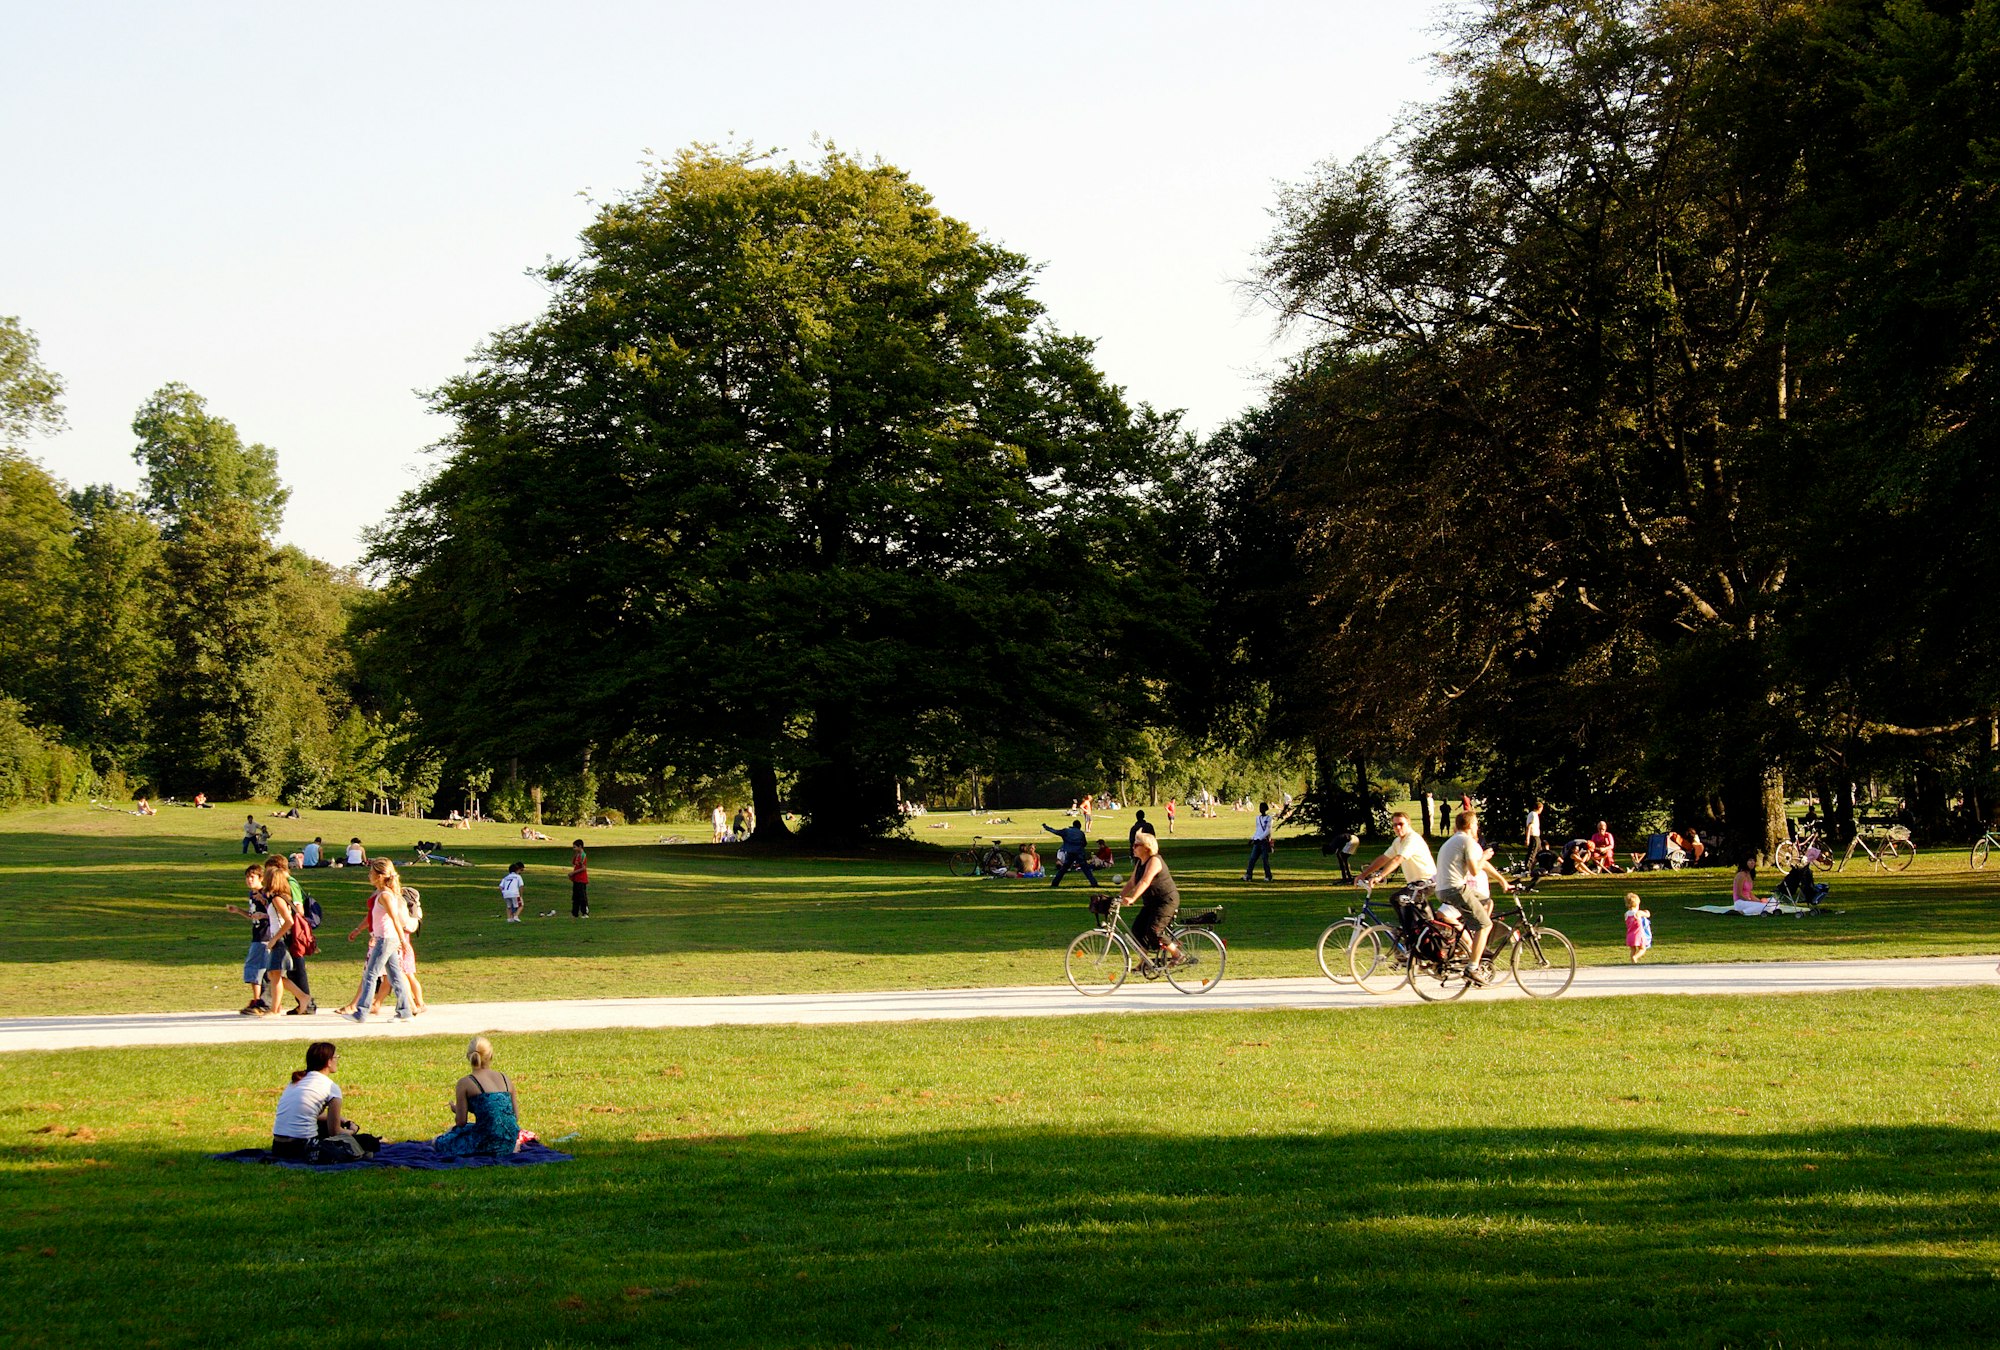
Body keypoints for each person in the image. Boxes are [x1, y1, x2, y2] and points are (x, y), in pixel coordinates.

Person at [1435, 809, 1510, 983]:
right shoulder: (1468, 841)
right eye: (1476, 824)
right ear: (1470, 825)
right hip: (1456, 888)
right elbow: (1475, 870)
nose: (1478, 827)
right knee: (1485, 924)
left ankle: (1472, 940)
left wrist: (1502, 881)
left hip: (1444, 889)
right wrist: (1484, 856)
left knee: (1486, 901)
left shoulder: (1452, 841)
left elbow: (1480, 865)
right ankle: (1472, 967)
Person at [343, 859, 415, 1021]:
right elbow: (372, 918)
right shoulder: (381, 895)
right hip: (385, 938)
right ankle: (405, 1012)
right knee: (395, 976)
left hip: (387, 940)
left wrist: (403, 942)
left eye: (371, 873)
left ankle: (361, 1012)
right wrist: (358, 930)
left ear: (380, 876)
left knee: (370, 974)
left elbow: (395, 919)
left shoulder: (385, 896)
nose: (369, 876)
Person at [434, 1036, 522, 1158]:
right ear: (491, 1055)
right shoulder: (505, 1078)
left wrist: (457, 1109)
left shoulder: (465, 1083)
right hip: (508, 1141)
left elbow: (461, 1122)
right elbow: (514, 1116)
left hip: (486, 1142)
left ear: (468, 1057)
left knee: (440, 1140)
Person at [271, 1042, 355, 1161]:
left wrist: (343, 1119)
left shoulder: (297, 1081)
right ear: (328, 1062)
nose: (337, 1061)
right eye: (336, 1057)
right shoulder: (331, 1087)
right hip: (302, 1147)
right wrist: (352, 1131)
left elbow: (306, 1113)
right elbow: (335, 1132)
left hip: (279, 1146)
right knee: (352, 1147)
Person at [259, 856, 315, 1016]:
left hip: (281, 939)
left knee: (274, 974)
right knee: (273, 974)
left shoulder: (277, 899)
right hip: (280, 938)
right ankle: (302, 997)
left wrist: (274, 939)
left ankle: (277, 1008)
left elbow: (289, 921)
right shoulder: (279, 898)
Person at [1120, 830, 1183, 970]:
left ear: (1146, 847)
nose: (1133, 847)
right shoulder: (1140, 862)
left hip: (1165, 901)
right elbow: (1132, 882)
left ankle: (1177, 954)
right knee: (1137, 929)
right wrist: (1118, 898)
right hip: (1151, 902)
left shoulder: (1155, 860)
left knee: (1154, 930)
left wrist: (1132, 898)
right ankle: (1145, 961)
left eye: (1136, 845)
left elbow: (1145, 881)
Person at [225, 864, 275, 1015]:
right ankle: (261, 1000)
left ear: (261, 878)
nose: (248, 880)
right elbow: (253, 915)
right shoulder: (252, 895)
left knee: (254, 967)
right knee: (261, 969)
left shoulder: (265, 894)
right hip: (257, 933)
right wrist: (239, 911)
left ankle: (258, 1001)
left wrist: (264, 906)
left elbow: (275, 914)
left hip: (265, 935)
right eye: (247, 877)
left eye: (252, 877)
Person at [1354, 812, 1437, 893]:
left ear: (1408, 824)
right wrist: (1363, 874)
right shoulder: (1398, 841)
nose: (1398, 827)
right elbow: (1383, 858)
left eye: (1401, 824)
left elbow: (1398, 860)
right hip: (1415, 883)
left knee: (1398, 900)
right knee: (1402, 901)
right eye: (1395, 825)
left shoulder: (1412, 839)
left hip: (1427, 881)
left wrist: (1380, 876)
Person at [1042, 819, 1097, 887]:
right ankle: (1093, 883)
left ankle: (1055, 883)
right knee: (1086, 869)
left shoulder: (1066, 831)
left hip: (1070, 852)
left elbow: (1055, 831)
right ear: (1079, 826)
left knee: (1063, 869)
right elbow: (1084, 843)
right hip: (1079, 853)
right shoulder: (1081, 833)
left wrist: (1046, 827)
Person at [1242, 801, 1276, 881]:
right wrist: (1253, 838)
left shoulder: (1269, 818)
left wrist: (1259, 838)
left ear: (1266, 809)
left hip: (1264, 842)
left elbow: (1268, 831)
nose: (1261, 809)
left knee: (1264, 859)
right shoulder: (1258, 818)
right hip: (1257, 841)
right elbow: (1258, 830)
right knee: (1252, 859)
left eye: (1262, 807)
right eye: (1260, 807)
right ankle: (1248, 875)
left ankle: (1268, 876)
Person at [1625, 893, 1654, 961]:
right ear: (1637, 904)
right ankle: (1635, 957)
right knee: (1642, 948)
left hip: (1629, 935)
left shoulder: (1626, 914)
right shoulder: (1638, 913)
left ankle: (1633, 961)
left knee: (1633, 949)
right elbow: (1647, 915)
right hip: (1638, 934)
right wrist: (1646, 911)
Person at [569, 840, 589, 917]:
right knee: (575, 897)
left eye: (575, 847)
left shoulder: (583, 856)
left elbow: (583, 868)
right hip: (576, 879)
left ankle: (584, 912)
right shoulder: (578, 855)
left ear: (580, 847)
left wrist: (573, 873)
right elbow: (574, 863)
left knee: (582, 896)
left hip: (581, 879)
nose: (573, 849)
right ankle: (575, 913)